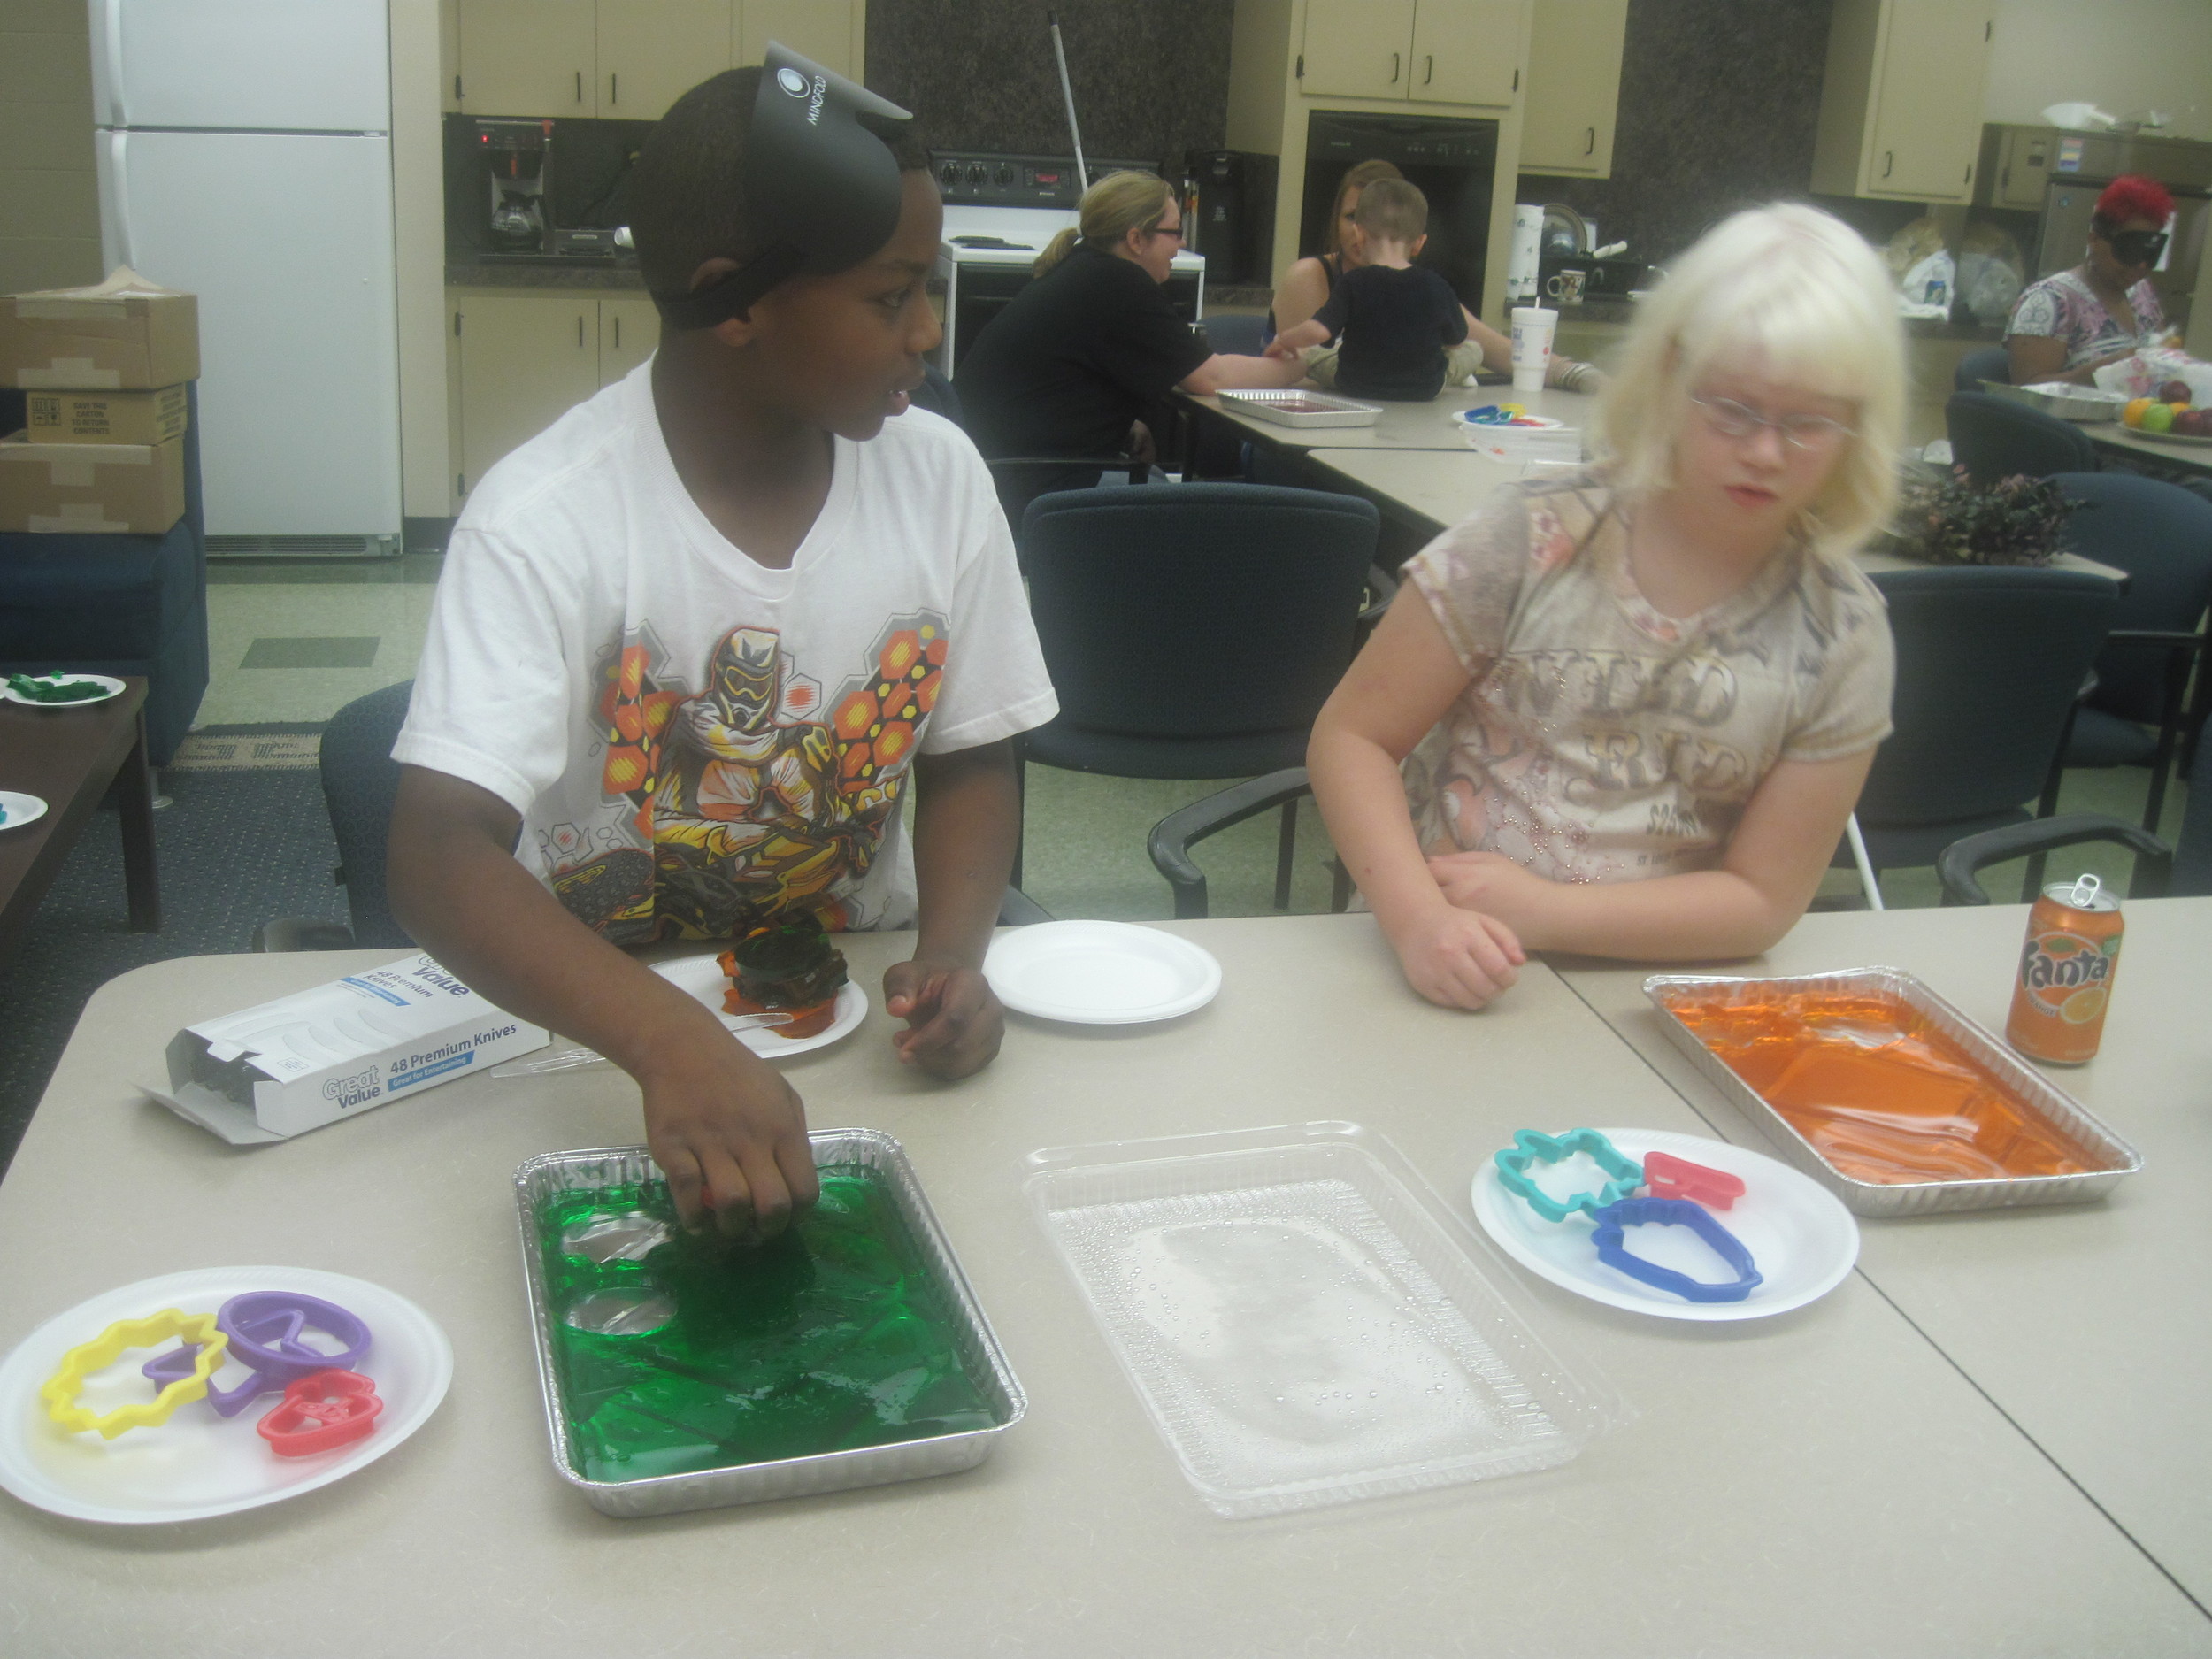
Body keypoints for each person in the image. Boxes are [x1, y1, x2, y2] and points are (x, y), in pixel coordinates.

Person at [386, 61, 1056, 1240]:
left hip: (860, 1040)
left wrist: (954, 954)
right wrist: (667, 1039)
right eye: (891, 294)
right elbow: (440, 852)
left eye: (930, 286)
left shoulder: (938, 476)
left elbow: (970, 753)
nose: (930, 328)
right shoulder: (548, 517)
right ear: (736, 305)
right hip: (596, 1047)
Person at [1307, 203, 1904, 1010]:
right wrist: (1417, 921)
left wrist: (1549, 912)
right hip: (1437, 960)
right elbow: (1353, 738)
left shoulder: (1843, 630)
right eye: (1732, 407)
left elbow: (1764, 899)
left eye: (1808, 423)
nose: (1765, 451)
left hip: (1657, 994)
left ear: (1859, 426)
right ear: (1671, 378)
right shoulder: (1532, 538)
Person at [955, 170, 1301, 512]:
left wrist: (1126, 428)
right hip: (1032, 485)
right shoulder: (1120, 283)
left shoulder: (1083, 270)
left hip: (995, 472)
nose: (1181, 245)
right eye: (1175, 232)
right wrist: (1305, 365)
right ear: (1136, 239)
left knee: (1157, 481)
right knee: (1193, 509)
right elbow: (1211, 377)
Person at [1269, 157, 1601, 393]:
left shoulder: (1422, 289)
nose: (1364, 228)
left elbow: (1495, 348)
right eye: (1354, 215)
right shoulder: (1310, 276)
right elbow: (1298, 377)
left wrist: (1572, 373)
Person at [1265, 178, 1482, 400]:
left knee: (1312, 355)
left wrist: (1283, 339)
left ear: (1359, 235)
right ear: (1419, 243)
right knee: (1473, 350)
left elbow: (1318, 332)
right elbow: (1456, 341)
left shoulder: (1353, 282)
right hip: (1424, 387)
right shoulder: (1437, 285)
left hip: (1356, 384)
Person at [2006, 173, 2178, 386]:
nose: (2140, 266)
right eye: (2129, 252)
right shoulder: (2049, 301)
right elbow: (2025, 393)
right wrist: (2108, 371)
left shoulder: (2142, 292)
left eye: (2149, 254)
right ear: (2094, 240)